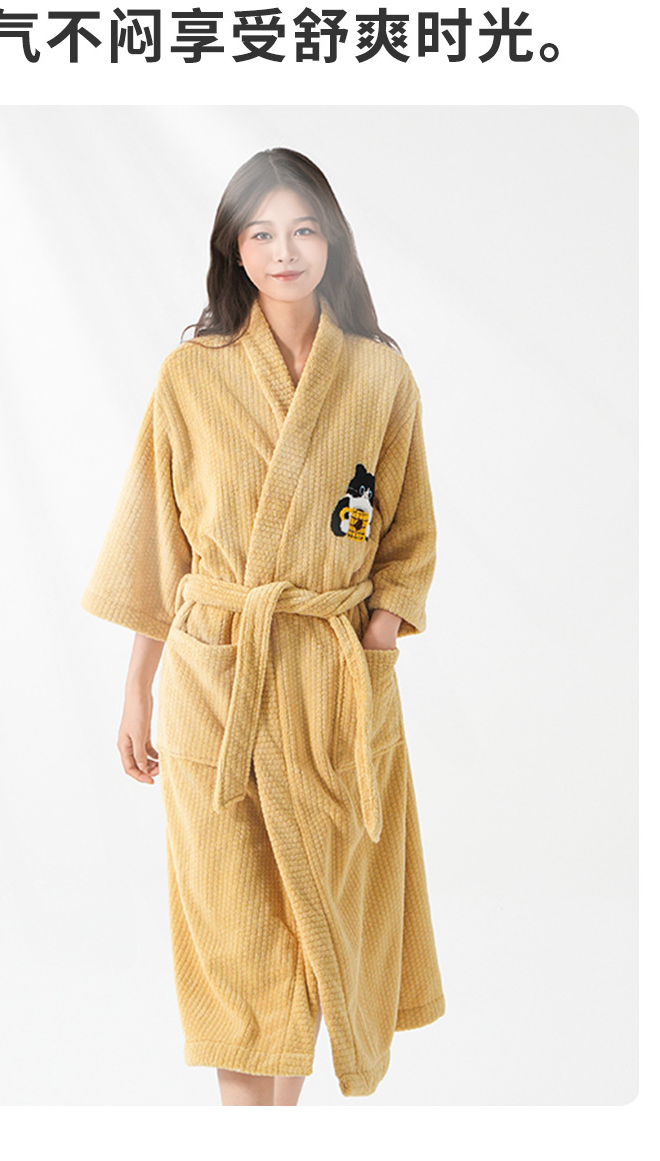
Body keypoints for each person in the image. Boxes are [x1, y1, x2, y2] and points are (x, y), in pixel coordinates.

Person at [81, 148, 445, 1106]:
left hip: (332, 688)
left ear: (333, 241)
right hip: (217, 684)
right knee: (237, 939)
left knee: (319, 926)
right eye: (262, 233)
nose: (285, 251)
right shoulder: (189, 376)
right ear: (234, 251)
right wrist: (135, 689)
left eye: (304, 229)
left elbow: (407, 537)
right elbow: (158, 545)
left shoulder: (379, 376)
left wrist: (374, 641)